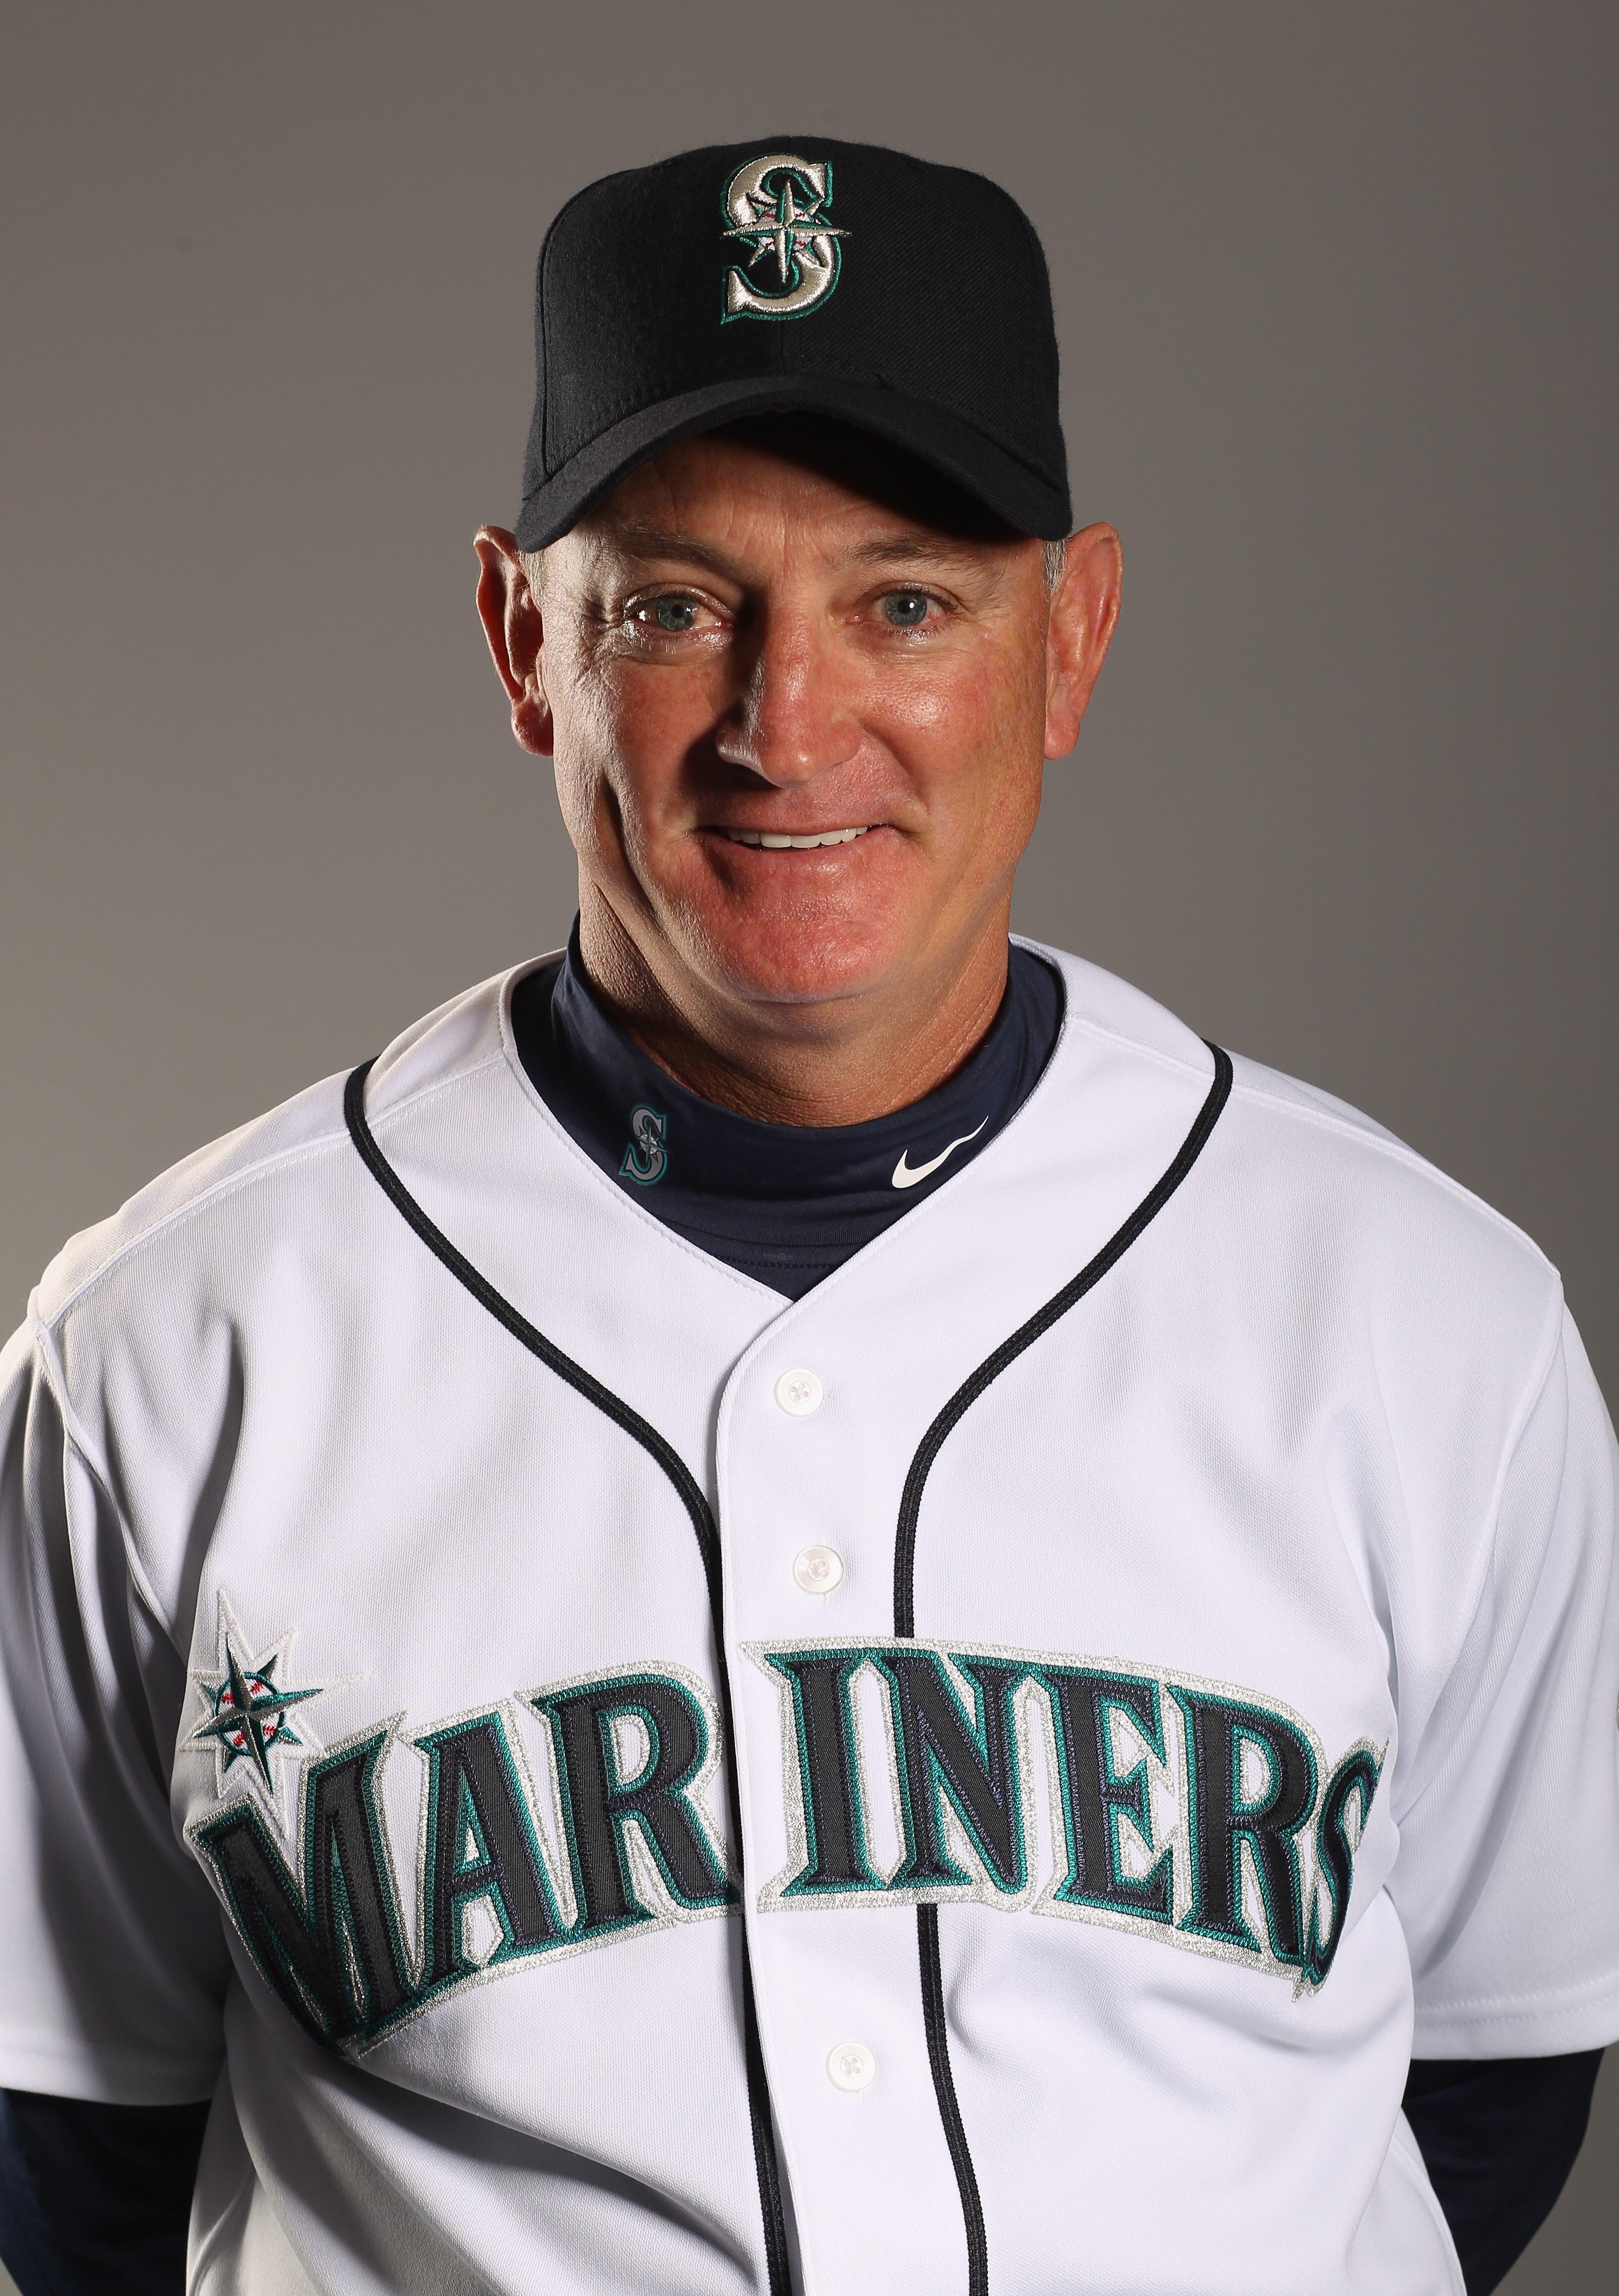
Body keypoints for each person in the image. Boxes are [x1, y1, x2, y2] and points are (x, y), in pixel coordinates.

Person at [0, 138, 1613, 2296]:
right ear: (521, 641)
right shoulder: (172, 1345)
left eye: (908, 601)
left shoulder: (1424, 1316)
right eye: (674, 610)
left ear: (1075, 636)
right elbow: (62, 2142)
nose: (789, 725)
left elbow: (1491, 2074)